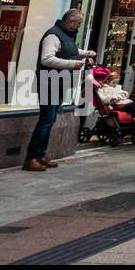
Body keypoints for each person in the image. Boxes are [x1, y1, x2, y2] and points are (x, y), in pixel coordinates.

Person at [24, 9, 93, 171]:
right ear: (71, 22)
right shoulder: (53, 35)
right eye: (79, 23)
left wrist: (84, 54)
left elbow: (68, 51)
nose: (79, 27)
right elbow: (47, 59)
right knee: (46, 120)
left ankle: (41, 154)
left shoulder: (65, 35)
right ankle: (31, 157)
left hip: (58, 82)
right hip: (49, 82)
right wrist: (72, 64)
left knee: (50, 120)